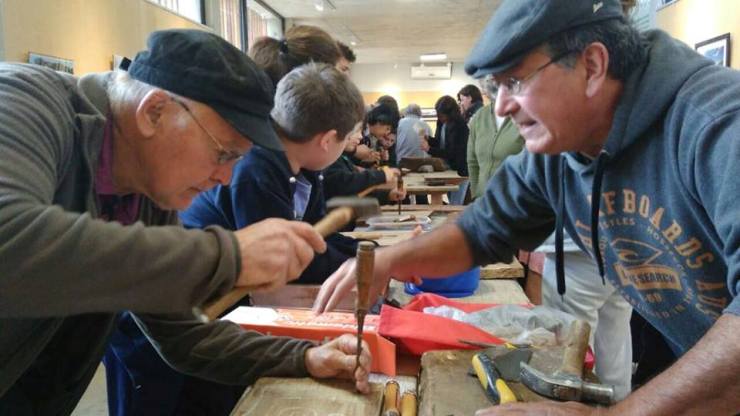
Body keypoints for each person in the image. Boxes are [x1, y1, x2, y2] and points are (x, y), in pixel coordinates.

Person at [314, 0, 740, 414]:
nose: (500, 106)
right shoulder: (561, 147)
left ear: (592, 66)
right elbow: (480, 230)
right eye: (496, 87)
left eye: (515, 82)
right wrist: (388, 261)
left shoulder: (717, 124)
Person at [0, 29, 371, 415]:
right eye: (224, 153)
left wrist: (304, 358)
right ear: (154, 111)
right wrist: (229, 255)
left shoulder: (146, 191)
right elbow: (9, 242)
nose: (226, 178)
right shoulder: (20, 104)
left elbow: (181, 334)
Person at [466, 78, 524, 199]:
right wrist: (475, 193)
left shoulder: (525, 115)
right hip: (483, 200)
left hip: (516, 201)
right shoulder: (480, 117)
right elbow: (472, 161)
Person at [429, 95, 469, 204]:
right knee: (451, 200)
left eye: (442, 115)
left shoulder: (460, 125)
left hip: (460, 171)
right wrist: (428, 140)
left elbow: (453, 152)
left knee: (455, 204)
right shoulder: (441, 123)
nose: (440, 117)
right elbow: (439, 142)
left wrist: (429, 149)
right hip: (447, 169)